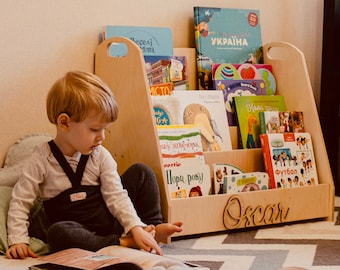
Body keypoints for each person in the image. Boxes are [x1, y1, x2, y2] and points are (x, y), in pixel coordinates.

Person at [6, 71, 183, 259]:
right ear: (64, 123)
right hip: (77, 231)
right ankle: (123, 242)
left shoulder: (100, 155)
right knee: (57, 233)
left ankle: (150, 229)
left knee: (142, 172)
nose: (102, 137)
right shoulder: (42, 157)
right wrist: (18, 240)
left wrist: (135, 226)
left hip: (110, 219)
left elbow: (116, 195)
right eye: (94, 129)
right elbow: (21, 200)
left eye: (105, 129)